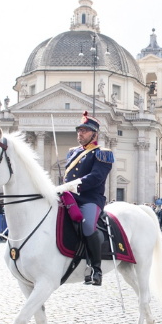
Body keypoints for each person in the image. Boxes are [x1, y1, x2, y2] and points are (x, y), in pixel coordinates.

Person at [61, 111, 114, 286]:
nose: (80, 133)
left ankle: (96, 269)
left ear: (94, 134)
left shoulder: (102, 153)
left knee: (88, 225)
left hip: (90, 198)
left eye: (84, 130)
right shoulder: (72, 153)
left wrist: (73, 185)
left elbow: (96, 177)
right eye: (79, 130)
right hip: (70, 197)